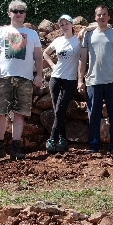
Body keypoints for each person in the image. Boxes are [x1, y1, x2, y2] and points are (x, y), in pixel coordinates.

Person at [0, 0, 44, 162]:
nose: (19, 14)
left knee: (20, 114)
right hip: (3, 77)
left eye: (22, 11)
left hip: (25, 78)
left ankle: (16, 147)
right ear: (9, 13)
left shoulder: (32, 34)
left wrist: (39, 74)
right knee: (0, 113)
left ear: (25, 14)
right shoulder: (0, 32)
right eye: (15, 11)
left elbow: (38, 56)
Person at [78, 5, 113, 153]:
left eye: (104, 14)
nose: (101, 17)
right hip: (93, 81)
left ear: (109, 17)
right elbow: (83, 58)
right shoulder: (88, 35)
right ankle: (94, 146)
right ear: (95, 17)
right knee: (93, 115)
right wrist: (80, 80)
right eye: (99, 15)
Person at [42, 14, 80, 153]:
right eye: (61, 24)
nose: (64, 26)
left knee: (60, 110)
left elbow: (93, 27)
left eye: (66, 23)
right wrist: (52, 65)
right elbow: (45, 53)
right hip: (56, 78)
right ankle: (63, 141)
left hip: (70, 79)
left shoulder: (78, 40)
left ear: (72, 24)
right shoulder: (57, 41)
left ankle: (52, 139)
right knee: (58, 111)